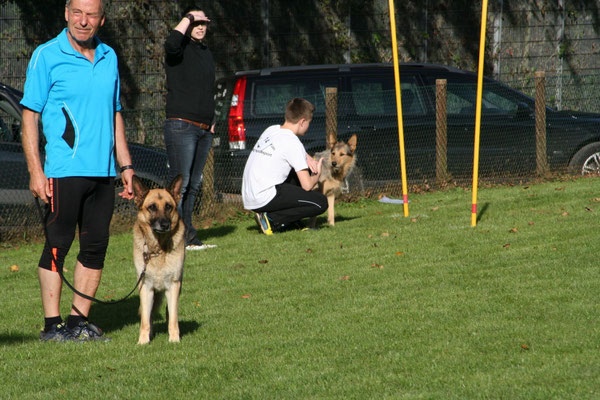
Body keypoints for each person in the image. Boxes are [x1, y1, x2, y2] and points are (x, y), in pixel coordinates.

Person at [21, 0, 135, 342]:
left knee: (95, 248)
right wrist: (35, 171)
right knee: (58, 244)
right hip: (63, 170)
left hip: (103, 173)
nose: (83, 21)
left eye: (91, 15)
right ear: (67, 13)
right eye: (77, 13)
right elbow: (30, 116)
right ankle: (52, 325)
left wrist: (125, 165)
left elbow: (115, 114)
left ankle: (77, 323)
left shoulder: (109, 57)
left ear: (101, 19)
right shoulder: (46, 55)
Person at [163, 5, 217, 251]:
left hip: (204, 127)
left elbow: (206, 87)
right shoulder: (178, 49)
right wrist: (188, 18)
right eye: (196, 23)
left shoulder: (205, 53)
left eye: (204, 22)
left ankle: (189, 237)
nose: (201, 27)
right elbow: (171, 43)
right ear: (186, 24)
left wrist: (212, 118)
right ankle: (173, 237)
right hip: (181, 126)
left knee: (193, 184)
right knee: (179, 187)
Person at [242, 98, 328, 234]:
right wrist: (317, 173)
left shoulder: (272, 130)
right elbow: (307, 185)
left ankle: (289, 220)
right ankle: (271, 218)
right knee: (320, 203)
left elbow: (290, 149)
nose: (308, 127)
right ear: (302, 122)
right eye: (309, 123)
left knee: (295, 174)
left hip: (250, 195)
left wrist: (308, 158)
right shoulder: (293, 143)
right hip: (265, 197)